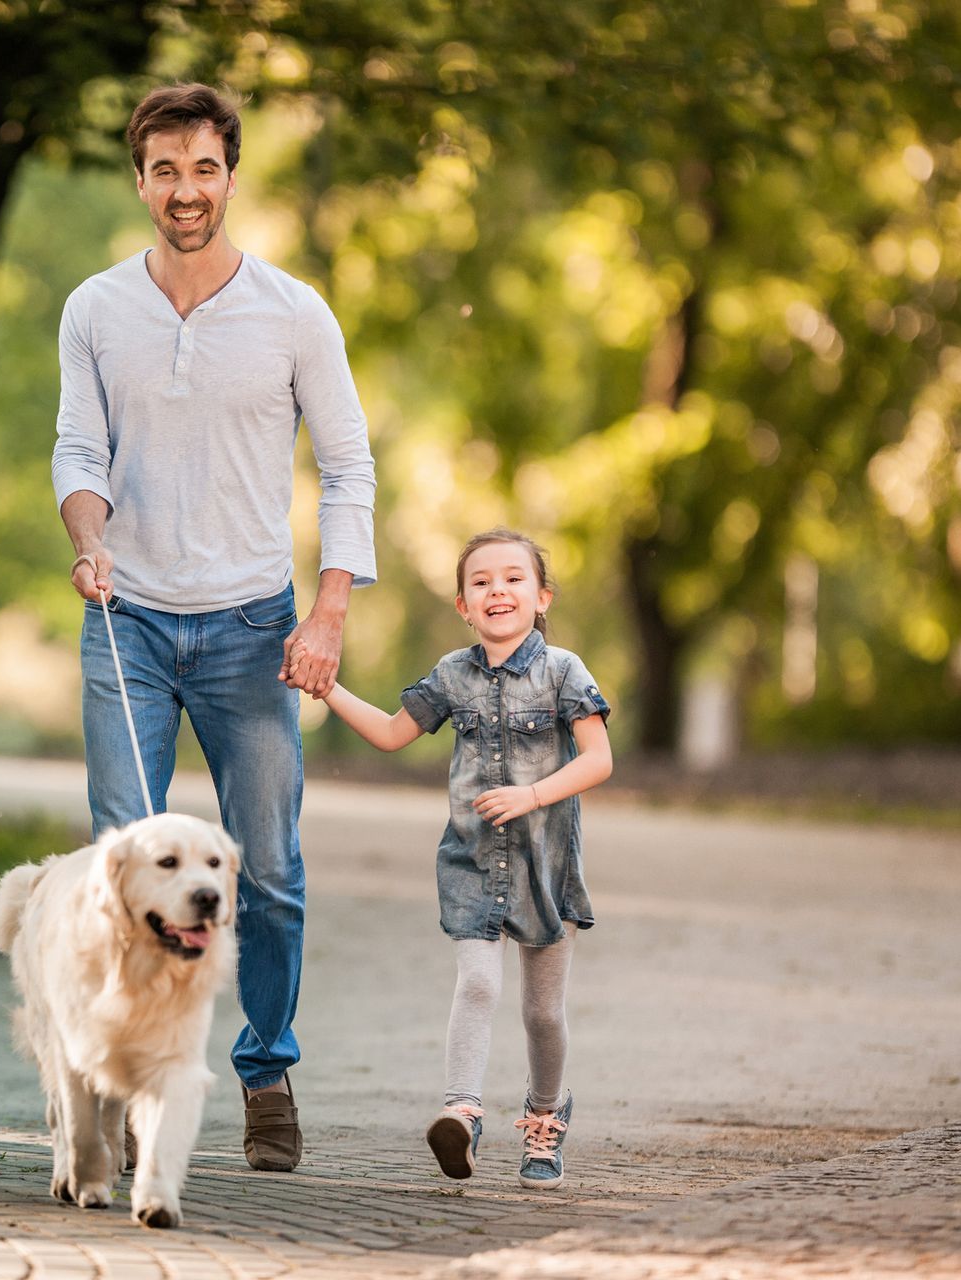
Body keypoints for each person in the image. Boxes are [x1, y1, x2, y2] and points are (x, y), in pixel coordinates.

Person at [51, 83, 377, 1173]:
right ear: (139, 179)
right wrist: (87, 534)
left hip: (252, 628)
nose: (185, 190)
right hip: (126, 619)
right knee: (123, 864)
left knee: (270, 868)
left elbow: (348, 465)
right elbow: (77, 452)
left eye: (203, 169)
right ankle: (135, 1076)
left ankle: (267, 1065)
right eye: (164, 170)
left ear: (231, 176)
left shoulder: (293, 312)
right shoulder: (95, 308)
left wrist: (328, 610)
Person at [315, 528, 613, 1190]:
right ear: (462, 605)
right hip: (473, 864)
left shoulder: (565, 671)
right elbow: (393, 734)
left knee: (542, 1013)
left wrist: (532, 794)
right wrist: (326, 687)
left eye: (512, 578)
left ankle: (544, 1118)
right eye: (480, 582)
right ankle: (463, 1110)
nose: (496, 590)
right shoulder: (452, 674)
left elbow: (599, 759)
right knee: (477, 983)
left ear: (541, 597)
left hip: (547, 867)